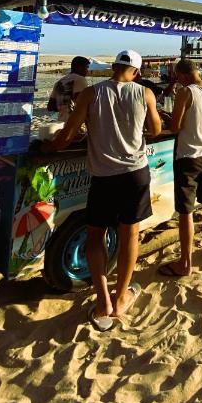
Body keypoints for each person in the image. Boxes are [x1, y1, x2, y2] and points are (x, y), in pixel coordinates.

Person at [50, 50, 161, 331]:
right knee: (129, 235)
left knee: (95, 236)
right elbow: (157, 129)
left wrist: (49, 147)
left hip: (104, 177)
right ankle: (121, 297)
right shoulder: (145, 93)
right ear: (136, 71)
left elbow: (68, 134)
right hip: (136, 174)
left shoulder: (91, 93)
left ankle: (103, 302)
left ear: (113, 67)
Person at [159, 58, 202, 277]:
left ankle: (185, 262)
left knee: (186, 211)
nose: (177, 82)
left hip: (188, 156)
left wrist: (170, 119)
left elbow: (175, 127)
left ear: (184, 75)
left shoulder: (186, 92)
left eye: (178, 78)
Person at [48, 56, 91, 121]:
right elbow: (82, 103)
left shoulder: (59, 82)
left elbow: (50, 107)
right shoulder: (80, 79)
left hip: (61, 121)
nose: (87, 71)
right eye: (87, 67)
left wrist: (63, 106)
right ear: (80, 67)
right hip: (75, 121)